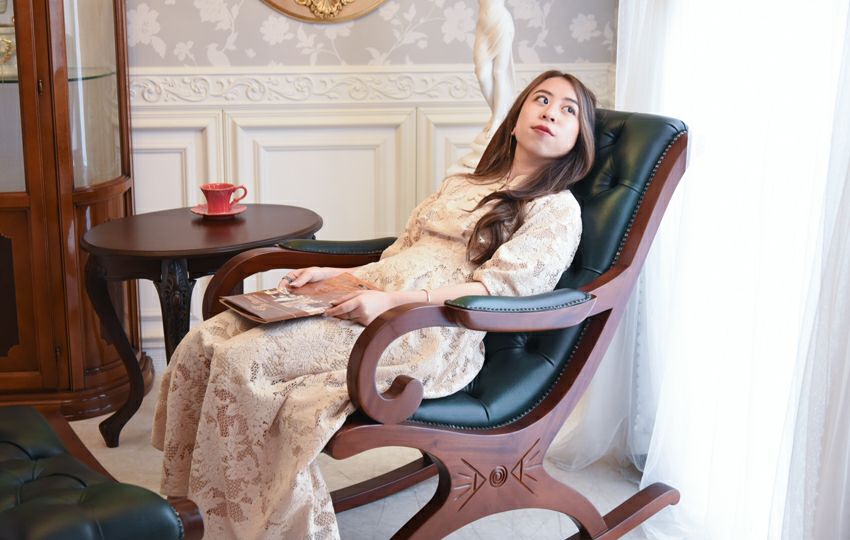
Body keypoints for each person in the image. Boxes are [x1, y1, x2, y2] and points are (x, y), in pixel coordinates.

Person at [152, 70, 597, 540]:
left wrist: (392, 303)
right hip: (373, 294)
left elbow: (500, 292)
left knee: (245, 361)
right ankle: (194, 512)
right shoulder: (464, 183)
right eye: (541, 99)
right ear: (516, 118)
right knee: (204, 341)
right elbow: (401, 254)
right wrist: (334, 277)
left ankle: (251, 527)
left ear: (579, 140)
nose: (550, 113)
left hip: (426, 328)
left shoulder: (556, 209)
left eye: (568, 110)